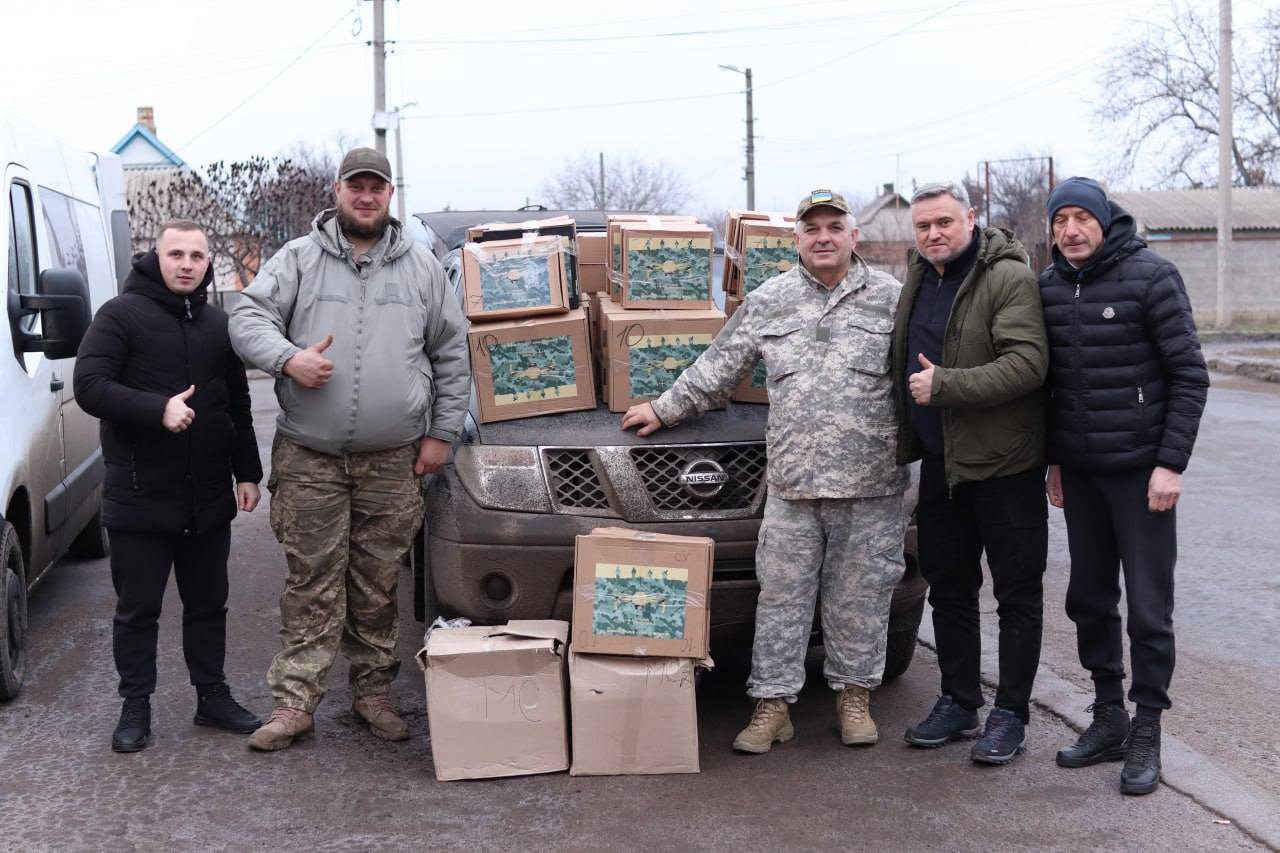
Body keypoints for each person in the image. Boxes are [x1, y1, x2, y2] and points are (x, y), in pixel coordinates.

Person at [621, 190, 907, 753]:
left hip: (870, 485)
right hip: (793, 488)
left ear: (854, 236)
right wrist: (665, 407)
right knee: (780, 598)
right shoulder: (770, 299)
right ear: (795, 240)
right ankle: (772, 705)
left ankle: (854, 698)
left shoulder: (894, 301)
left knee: (862, 596)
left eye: (834, 227)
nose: (823, 237)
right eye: (811, 229)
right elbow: (721, 365)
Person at [229, 147, 470, 751]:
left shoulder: (421, 267)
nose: (366, 197)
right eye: (356, 187)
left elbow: (451, 353)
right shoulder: (299, 260)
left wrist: (441, 434)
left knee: (377, 580)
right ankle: (294, 704)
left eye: (377, 188)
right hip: (310, 456)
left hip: (394, 458)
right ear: (338, 191)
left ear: (391, 195)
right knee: (310, 579)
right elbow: (248, 317)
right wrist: (289, 358)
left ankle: (374, 694)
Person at [1040, 177, 1209, 795]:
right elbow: (1053, 387)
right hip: (1081, 474)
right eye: (1061, 220)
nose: (1071, 230)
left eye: (1083, 217)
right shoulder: (1050, 287)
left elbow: (1189, 374)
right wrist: (1055, 461)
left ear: (1106, 222)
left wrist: (1171, 463)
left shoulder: (1151, 276)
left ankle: (1148, 729)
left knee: (1147, 606)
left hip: (1142, 474)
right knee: (1087, 598)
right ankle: (1108, 715)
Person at [73, 220, 264, 753]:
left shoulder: (217, 325)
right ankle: (136, 705)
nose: (186, 263)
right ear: (154, 258)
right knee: (138, 611)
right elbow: (89, 385)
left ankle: (212, 697)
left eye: (197, 256)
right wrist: (157, 409)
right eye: (175, 253)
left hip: (207, 497)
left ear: (208, 263)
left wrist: (247, 472)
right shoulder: (120, 316)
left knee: (209, 605)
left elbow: (237, 404)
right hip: (139, 496)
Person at [890, 182, 1049, 764]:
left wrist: (947, 385)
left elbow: (1028, 364)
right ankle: (959, 702)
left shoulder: (1008, 277)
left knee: (1016, 595)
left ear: (971, 219)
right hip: (943, 465)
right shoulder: (918, 277)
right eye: (923, 226)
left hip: (1006, 465)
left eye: (944, 223)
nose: (934, 234)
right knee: (950, 590)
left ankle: (1010, 713)